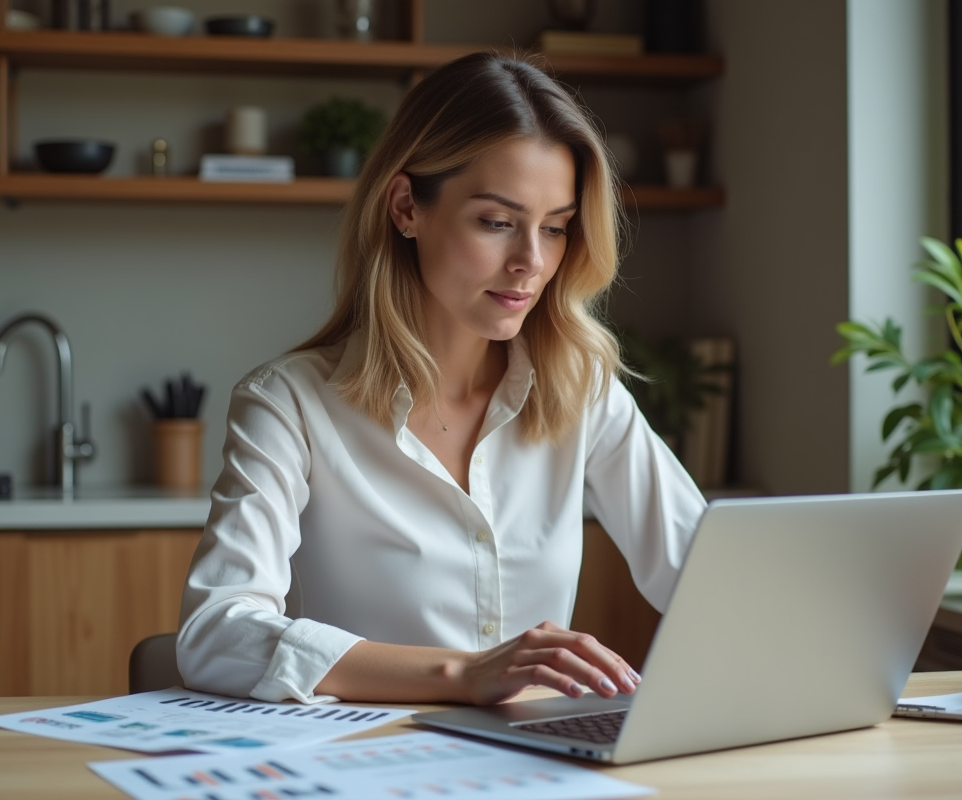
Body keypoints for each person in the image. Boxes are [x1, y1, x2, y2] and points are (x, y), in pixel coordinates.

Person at [177, 52, 707, 707]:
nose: (531, 263)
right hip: (361, 771)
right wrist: (462, 674)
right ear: (406, 207)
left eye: (556, 228)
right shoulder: (289, 405)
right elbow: (217, 633)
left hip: (534, 771)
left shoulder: (581, 388)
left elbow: (707, 577)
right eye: (496, 222)